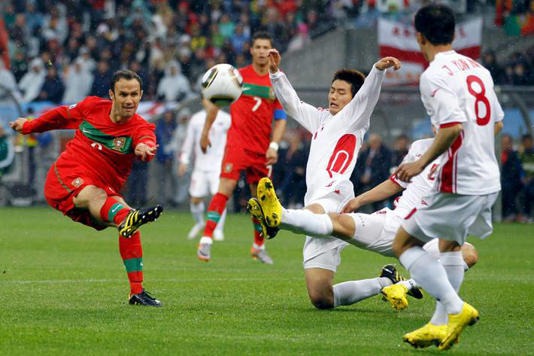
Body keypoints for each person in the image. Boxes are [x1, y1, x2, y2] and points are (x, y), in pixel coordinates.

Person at [381, 4, 504, 350]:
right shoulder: (479, 70)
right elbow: (495, 123)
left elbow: (450, 127)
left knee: (403, 244)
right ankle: (438, 323)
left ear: (419, 36)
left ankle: (454, 308)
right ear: (453, 33)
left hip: (459, 181)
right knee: (450, 246)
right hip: (487, 177)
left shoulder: (433, 75)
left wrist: (420, 164)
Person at [249, 46, 400, 307]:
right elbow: (292, 105)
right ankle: (386, 282)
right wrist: (275, 74)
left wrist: (377, 71)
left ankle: (278, 216)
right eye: (332, 90)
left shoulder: (355, 118)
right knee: (321, 297)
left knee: (313, 212)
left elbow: (367, 98)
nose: (333, 95)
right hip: (316, 202)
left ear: (353, 99)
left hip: (335, 195)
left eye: (341, 92)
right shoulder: (320, 119)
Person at [249, 138, 478, 310]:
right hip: (396, 224)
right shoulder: (420, 147)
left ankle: (404, 286)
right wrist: (359, 199)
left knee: (468, 253)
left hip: (432, 237)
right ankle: (281, 216)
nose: (440, 122)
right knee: (338, 223)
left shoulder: (468, 155)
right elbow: (395, 183)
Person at [9, 69, 164, 307]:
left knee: (127, 222)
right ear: (112, 94)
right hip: (67, 177)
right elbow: (61, 115)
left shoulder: (140, 128)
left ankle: (137, 292)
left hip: (103, 193)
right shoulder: (92, 107)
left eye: (134, 94)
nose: (129, 100)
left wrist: (144, 149)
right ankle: (127, 217)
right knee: (106, 201)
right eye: (123, 94)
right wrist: (30, 126)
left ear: (141, 95)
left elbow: (146, 140)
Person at [196, 31, 287, 264]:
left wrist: (274, 146)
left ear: (272, 51)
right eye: (258, 47)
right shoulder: (238, 77)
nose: (262, 51)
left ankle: (258, 246)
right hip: (238, 143)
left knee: (260, 200)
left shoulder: (276, 81)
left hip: (262, 149)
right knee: (225, 187)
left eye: (266, 47)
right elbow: (215, 102)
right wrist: (206, 131)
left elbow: (280, 118)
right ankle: (206, 240)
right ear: (251, 50)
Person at [178, 100, 231, 241]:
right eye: (208, 100)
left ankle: (218, 229)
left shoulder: (226, 119)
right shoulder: (196, 119)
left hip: (218, 166)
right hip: (200, 167)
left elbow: (232, 141)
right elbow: (189, 141)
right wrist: (184, 160)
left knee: (218, 197)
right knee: (195, 199)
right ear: (203, 101)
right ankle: (199, 223)